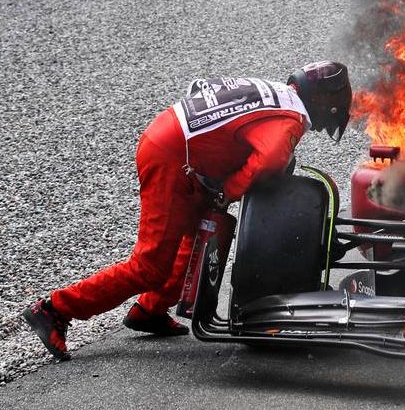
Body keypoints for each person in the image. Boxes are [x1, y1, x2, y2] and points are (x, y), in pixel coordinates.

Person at [22, 61, 352, 361]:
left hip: (175, 145)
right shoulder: (290, 120)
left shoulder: (276, 93)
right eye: (330, 112)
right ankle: (55, 309)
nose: (324, 125)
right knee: (149, 266)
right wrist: (226, 192)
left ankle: (150, 310)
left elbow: (202, 89)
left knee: (201, 230)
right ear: (323, 99)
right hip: (172, 158)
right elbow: (267, 161)